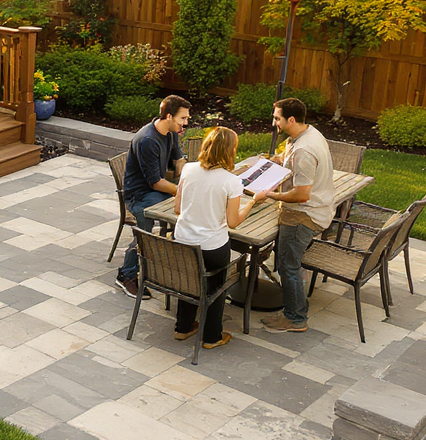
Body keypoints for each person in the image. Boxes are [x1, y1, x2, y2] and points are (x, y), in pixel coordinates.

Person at [172, 127, 268, 349]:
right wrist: (252, 202)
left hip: (183, 241)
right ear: (230, 151)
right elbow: (233, 222)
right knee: (216, 286)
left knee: (189, 278)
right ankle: (212, 336)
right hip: (211, 248)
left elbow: (178, 208)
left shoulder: (188, 169)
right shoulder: (231, 181)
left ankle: (183, 328)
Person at [260, 97, 335, 333]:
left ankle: (295, 318)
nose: (274, 123)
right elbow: (290, 161)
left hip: (303, 215)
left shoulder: (304, 150)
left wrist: (270, 196)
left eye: (277, 118)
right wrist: (274, 161)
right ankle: (296, 304)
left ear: (290, 119)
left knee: (288, 267)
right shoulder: (307, 133)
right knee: (285, 263)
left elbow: (301, 195)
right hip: (316, 209)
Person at [118, 95, 190, 299]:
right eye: (182, 118)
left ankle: (171, 267)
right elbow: (155, 182)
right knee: (145, 233)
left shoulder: (171, 132)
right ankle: (127, 275)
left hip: (157, 190)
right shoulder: (148, 140)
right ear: (168, 115)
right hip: (139, 196)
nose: (185, 123)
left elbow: (179, 159)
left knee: (186, 212)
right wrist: (183, 191)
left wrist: (184, 178)